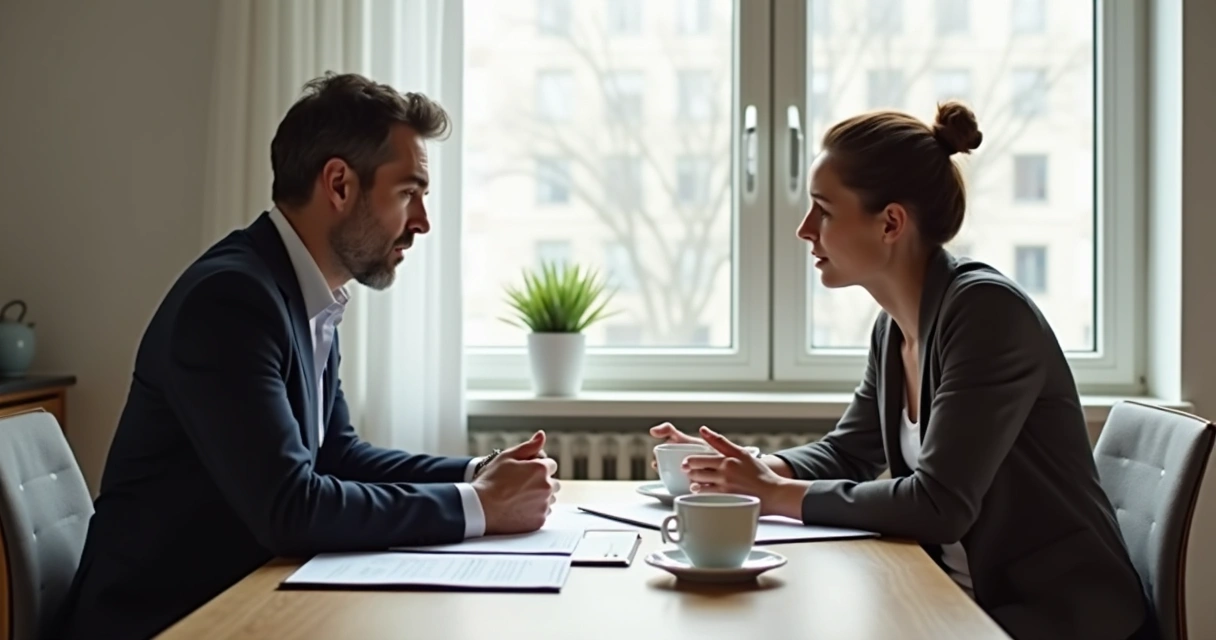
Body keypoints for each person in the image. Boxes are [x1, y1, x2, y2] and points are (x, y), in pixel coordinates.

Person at [52, 72, 559, 640]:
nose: (422, 222)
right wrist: (479, 507)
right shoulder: (230, 301)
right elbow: (290, 508)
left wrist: (477, 474)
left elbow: (336, 454)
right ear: (340, 184)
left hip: (236, 598)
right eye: (408, 193)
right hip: (164, 619)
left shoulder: (298, 291)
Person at [650, 101, 1156, 640]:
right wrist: (745, 467)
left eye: (823, 209)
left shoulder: (986, 313)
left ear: (891, 222)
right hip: (960, 601)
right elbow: (849, 450)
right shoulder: (895, 326)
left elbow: (940, 505)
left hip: (1054, 619)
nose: (804, 229)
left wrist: (776, 495)